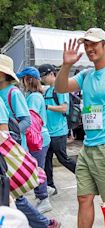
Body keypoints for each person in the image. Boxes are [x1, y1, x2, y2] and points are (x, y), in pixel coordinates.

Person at [54, 28, 105, 228]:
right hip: (87, 149)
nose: (89, 49)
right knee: (83, 199)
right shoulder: (86, 75)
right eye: (86, 45)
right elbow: (61, 88)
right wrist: (66, 65)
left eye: (94, 44)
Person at [0, 54, 60, 228]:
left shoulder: (14, 92)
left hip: (12, 148)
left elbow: (26, 120)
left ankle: (44, 207)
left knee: (17, 192)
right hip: (12, 146)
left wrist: (11, 140)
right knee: (14, 195)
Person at [17, 67, 53, 213]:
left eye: (22, 79)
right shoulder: (36, 95)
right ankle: (45, 190)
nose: (21, 82)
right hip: (42, 138)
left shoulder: (33, 97)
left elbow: (30, 122)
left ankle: (44, 198)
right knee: (38, 167)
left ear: (28, 79)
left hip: (37, 139)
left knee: (36, 169)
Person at [39, 64, 76, 195]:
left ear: (51, 74)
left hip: (59, 131)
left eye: (43, 76)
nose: (42, 79)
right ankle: (51, 186)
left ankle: (83, 174)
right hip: (48, 132)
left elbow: (64, 108)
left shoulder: (61, 89)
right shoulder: (48, 90)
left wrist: (47, 106)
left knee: (63, 158)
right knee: (47, 160)